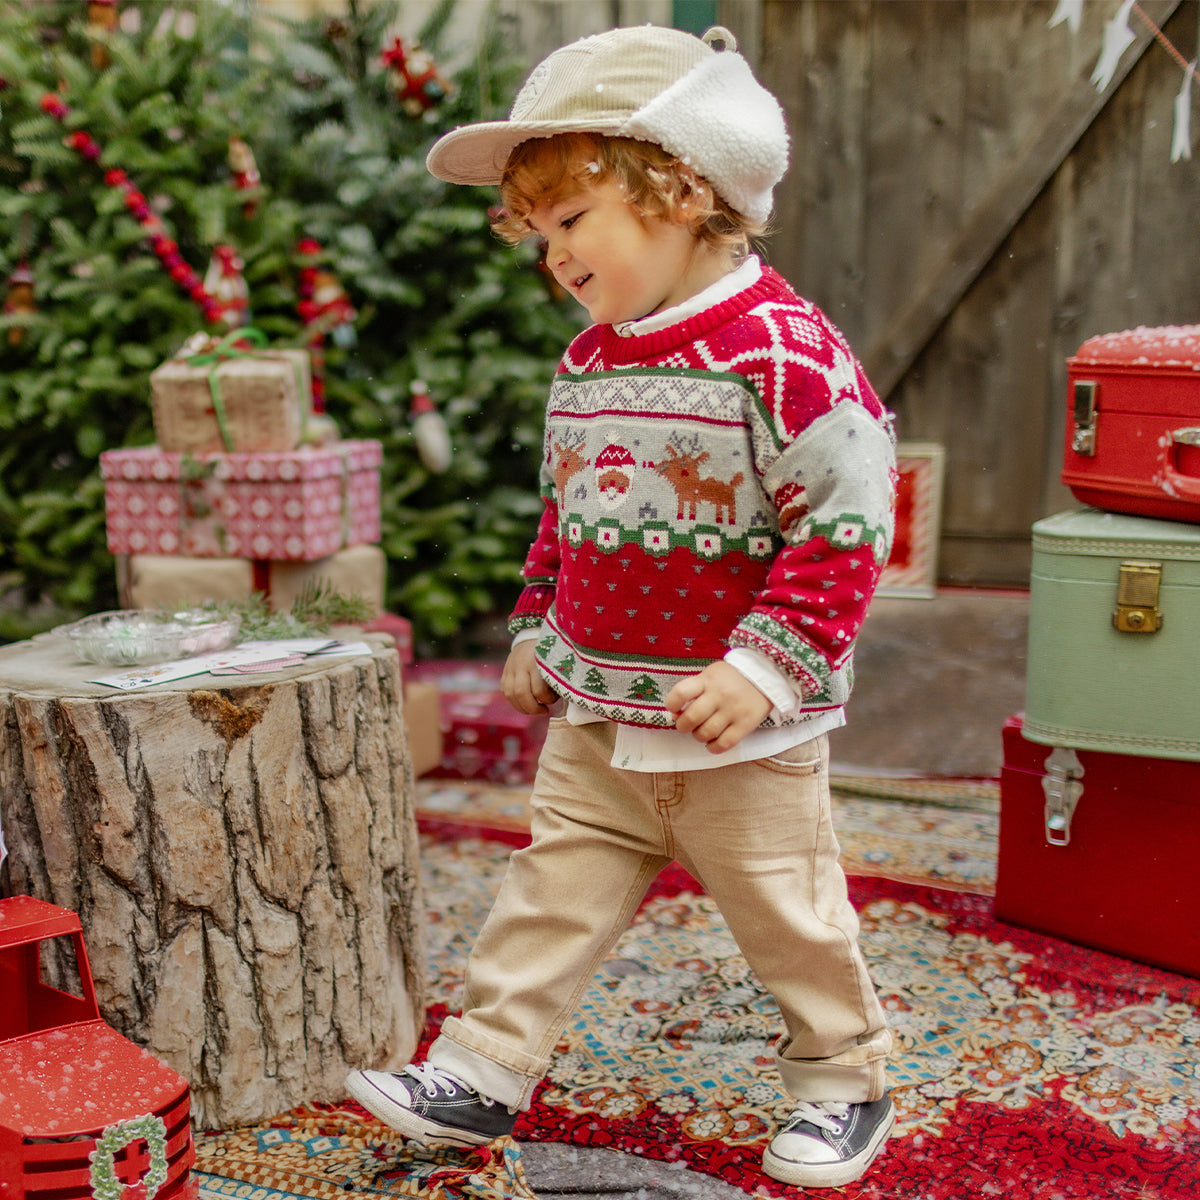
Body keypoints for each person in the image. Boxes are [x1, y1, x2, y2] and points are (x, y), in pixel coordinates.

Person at [347, 23, 897, 1190]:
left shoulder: (786, 355)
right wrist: (539, 619)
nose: (552, 255)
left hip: (737, 732)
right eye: (535, 232)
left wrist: (761, 669)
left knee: (787, 916)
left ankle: (844, 1076)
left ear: (682, 187)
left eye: (573, 220)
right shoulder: (590, 364)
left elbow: (848, 527)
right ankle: (482, 1070)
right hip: (599, 709)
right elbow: (569, 510)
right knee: (551, 889)